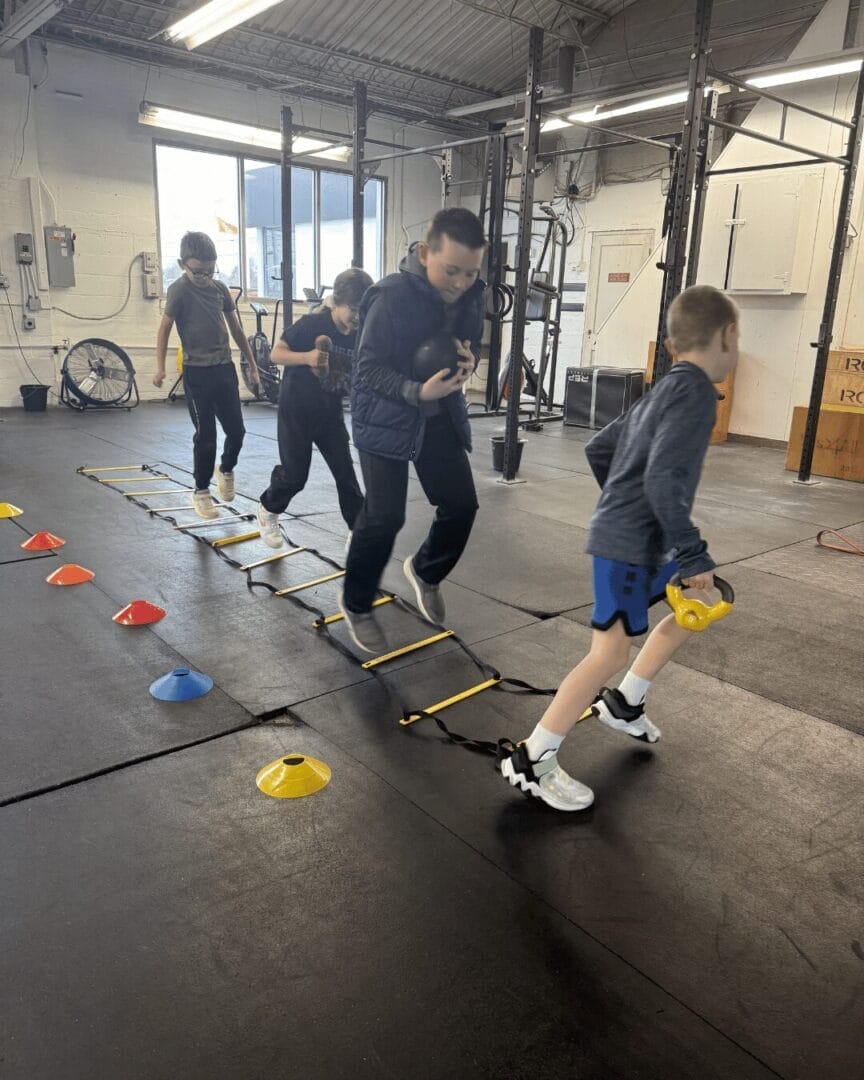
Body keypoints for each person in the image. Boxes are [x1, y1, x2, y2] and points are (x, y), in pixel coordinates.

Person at [500, 285, 740, 812]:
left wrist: (626, 506)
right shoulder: (696, 393)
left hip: (636, 537)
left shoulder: (664, 387)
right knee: (607, 651)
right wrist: (689, 551)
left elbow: (600, 447)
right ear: (728, 335)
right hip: (630, 546)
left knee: (699, 599)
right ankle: (533, 759)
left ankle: (627, 701)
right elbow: (661, 480)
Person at [338, 208, 487, 654]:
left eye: (471, 271)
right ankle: (357, 602)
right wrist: (413, 389)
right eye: (451, 270)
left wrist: (469, 360)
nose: (460, 282)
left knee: (461, 505)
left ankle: (425, 570)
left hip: (438, 409)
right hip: (383, 412)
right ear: (425, 254)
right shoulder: (390, 298)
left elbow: (470, 342)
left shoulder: (471, 293)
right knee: (385, 517)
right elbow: (365, 370)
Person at [255, 268, 374, 548]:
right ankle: (268, 508)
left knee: (346, 474)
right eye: (353, 309)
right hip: (296, 410)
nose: (357, 316)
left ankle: (357, 532)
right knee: (295, 477)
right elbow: (275, 354)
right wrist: (307, 357)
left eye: (362, 309)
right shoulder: (312, 324)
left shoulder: (360, 332)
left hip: (329, 412)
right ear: (338, 302)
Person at [153, 231, 258, 519]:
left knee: (237, 430)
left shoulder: (220, 289)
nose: (204, 277)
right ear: (182, 264)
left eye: (210, 271)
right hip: (196, 373)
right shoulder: (179, 290)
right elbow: (164, 328)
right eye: (198, 271)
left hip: (224, 369)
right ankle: (201, 491)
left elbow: (236, 329)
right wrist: (160, 366)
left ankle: (225, 469)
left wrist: (251, 364)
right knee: (206, 434)